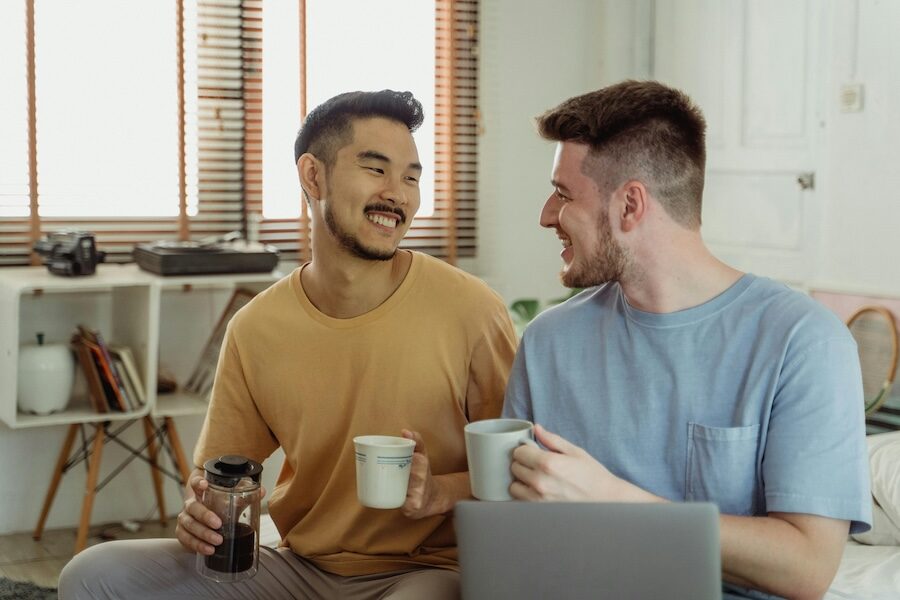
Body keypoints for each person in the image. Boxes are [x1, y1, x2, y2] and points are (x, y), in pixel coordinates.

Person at [59, 90, 517, 599]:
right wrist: (200, 514)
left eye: (412, 177)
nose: (399, 194)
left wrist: (437, 494)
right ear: (312, 175)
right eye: (376, 169)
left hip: (425, 573)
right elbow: (220, 477)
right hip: (299, 569)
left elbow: (521, 468)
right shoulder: (257, 327)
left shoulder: (471, 310)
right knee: (93, 574)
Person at [501, 80, 871, 600]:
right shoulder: (547, 343)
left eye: (563, 195)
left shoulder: (803, 342)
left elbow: (807, 566)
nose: (545, 215)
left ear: (630, 205)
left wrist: (613, 501)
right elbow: (514, 527)